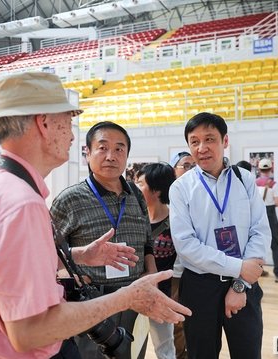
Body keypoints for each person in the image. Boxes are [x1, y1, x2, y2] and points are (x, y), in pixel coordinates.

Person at [0, 72, 191, 359]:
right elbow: (30, 331)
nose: (73, 135)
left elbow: (4, 269)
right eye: (68, 120)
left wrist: (78, 255)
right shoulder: (21, 203)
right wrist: (126, 298)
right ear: (44, 122)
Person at [50, 120, 158, 359]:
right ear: (87, 152)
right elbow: (48, 251)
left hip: (134, 298)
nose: (111, 156)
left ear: (127, 155)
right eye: (102, 147)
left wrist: (150, 271)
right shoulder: (69, 200)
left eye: (119, 149)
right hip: (92, 303)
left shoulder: (136, 196)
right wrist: (71, 273)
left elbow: (147, 242)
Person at [169, 112, 270, 359]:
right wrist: (239, 268)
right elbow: (186, 245)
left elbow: (259, 231)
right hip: (200, 287)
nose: (202, 148)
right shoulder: (181, 188)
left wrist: (240, 284)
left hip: (245, 284)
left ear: (225, 141)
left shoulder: (244, 179)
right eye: (194, 141)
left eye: (210, 139)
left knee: (248, 353)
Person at [135, 163, 177, 359]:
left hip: (163, 296)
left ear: (157, 189)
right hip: (133, 294)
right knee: (131, 345)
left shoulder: (177, 221)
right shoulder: (134, 219)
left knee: (165, 348)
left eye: (140, 183)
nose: (135, 186)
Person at [169, 151, 195, 359]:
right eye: (185, 165)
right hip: (176, 273)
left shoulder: (199, 196)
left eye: (193, 166)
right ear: (173, 170)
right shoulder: (166, 200)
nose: (191, 170)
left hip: (199, 272)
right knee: (178, 321)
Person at [255, 158, 278, 282]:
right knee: (275, 244)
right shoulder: (273, 184)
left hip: (258, 215)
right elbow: (277, 202)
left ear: (259, 169)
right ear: (270, 169)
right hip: (271, 214)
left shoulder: (254, 183)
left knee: (257, 243)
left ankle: (258, 270)